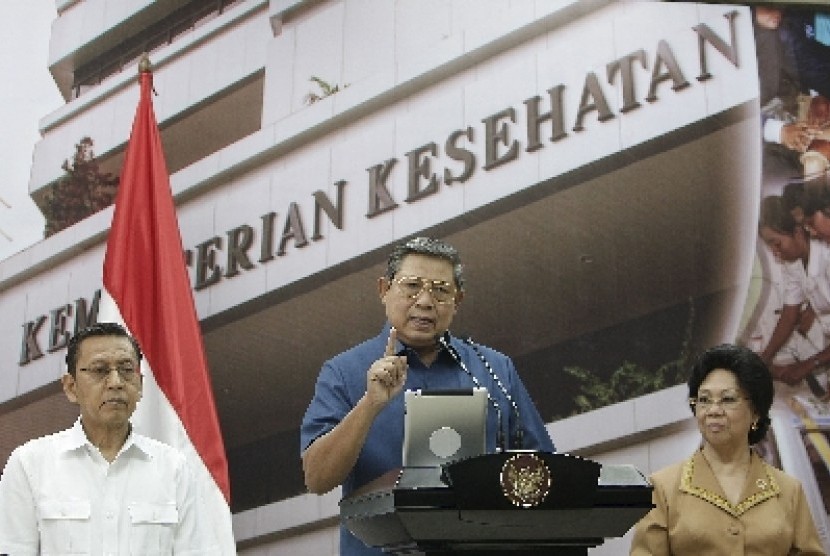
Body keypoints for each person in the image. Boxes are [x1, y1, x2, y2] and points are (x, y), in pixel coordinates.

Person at [300, 236, 555, 556]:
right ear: (384, 290)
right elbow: (317, 478)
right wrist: (370, 405)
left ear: (457, 300)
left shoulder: (494, 369)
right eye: (412, 286)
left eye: (440, 290)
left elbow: (542, 469)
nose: (424, 301)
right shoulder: (344, 371)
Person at [0, 322, 218, 555]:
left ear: (140, 385)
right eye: (100, 370)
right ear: (71, 387)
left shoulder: (174, 468)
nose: (115, 382)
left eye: (126, 370)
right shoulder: (30, 464)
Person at [629, 344, 824, 555]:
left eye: (728, 399)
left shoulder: (789, 490)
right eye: (704, 400)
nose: (713, 410)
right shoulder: (662, 489)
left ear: (756, 412)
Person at [758, 195, 830, 387]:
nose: (775, 252)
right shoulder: (794, 262)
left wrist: (809, 365)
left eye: (777, 243)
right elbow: (790, 313)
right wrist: (765, 358)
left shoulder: (826, 256)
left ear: (798, 232)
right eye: (770, 246)